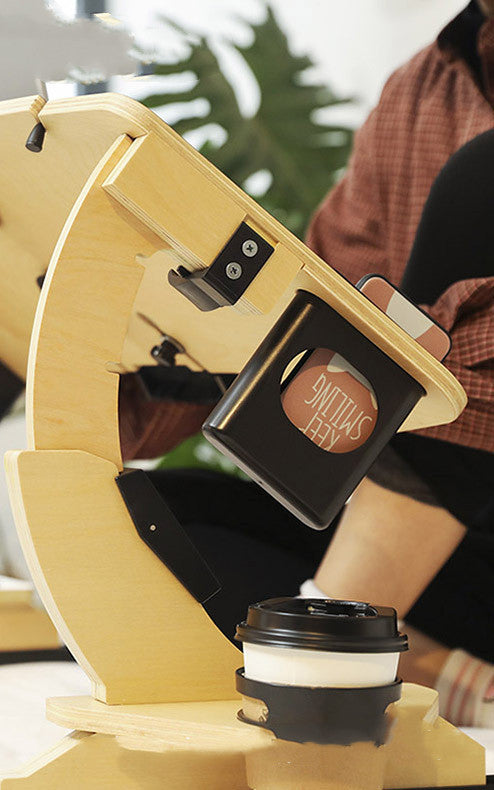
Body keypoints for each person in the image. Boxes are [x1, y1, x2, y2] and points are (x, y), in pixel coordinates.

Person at [120, 0, 494, 728]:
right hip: (431, 547)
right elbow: (317, 309)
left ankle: (329, 665)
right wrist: (151, 347)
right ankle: (414, 665)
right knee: (146, 521)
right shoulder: (421, 87)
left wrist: (419, 365)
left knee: (482, 185)